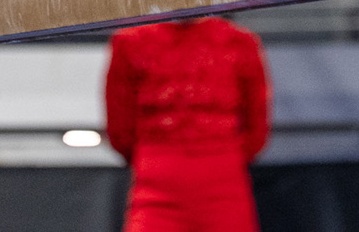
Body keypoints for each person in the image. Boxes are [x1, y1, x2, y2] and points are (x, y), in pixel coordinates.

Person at [105, 14, 269, 232]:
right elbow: (119, 126)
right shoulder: (130, 42)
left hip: (223, 186)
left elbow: (257, 124)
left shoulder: (239, 42)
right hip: (156, 188)